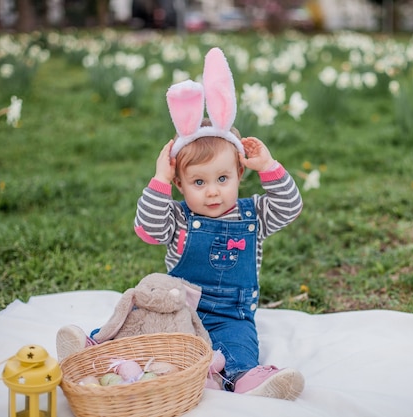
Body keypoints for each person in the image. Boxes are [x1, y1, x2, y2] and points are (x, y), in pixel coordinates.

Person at [134, 47, 304, 400]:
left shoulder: (253, 213)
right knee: (144, 325)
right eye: (198, 183)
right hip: (179, 310)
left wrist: (270, 166)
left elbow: (290, 207)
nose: (212, 192)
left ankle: (244, 379)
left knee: (240, 348)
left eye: (222, 179)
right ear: (180, 185)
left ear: (240, 173)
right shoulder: (178, 217)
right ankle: (100, 344)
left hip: (231, 316)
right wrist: (159, 179)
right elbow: (149, 229)